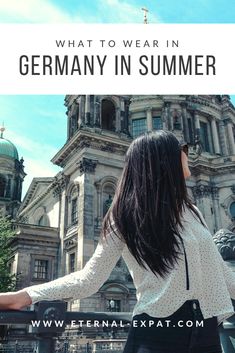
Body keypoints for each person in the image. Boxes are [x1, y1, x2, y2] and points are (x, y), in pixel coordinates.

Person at [0, 130, 235, 353]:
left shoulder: (193, 212)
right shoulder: (125, 215)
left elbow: (223, 273)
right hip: (156, 334)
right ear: (163, 158)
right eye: (182, 148)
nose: (188, 152)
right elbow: (88, 279)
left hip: (206, 332)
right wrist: (25, 296)